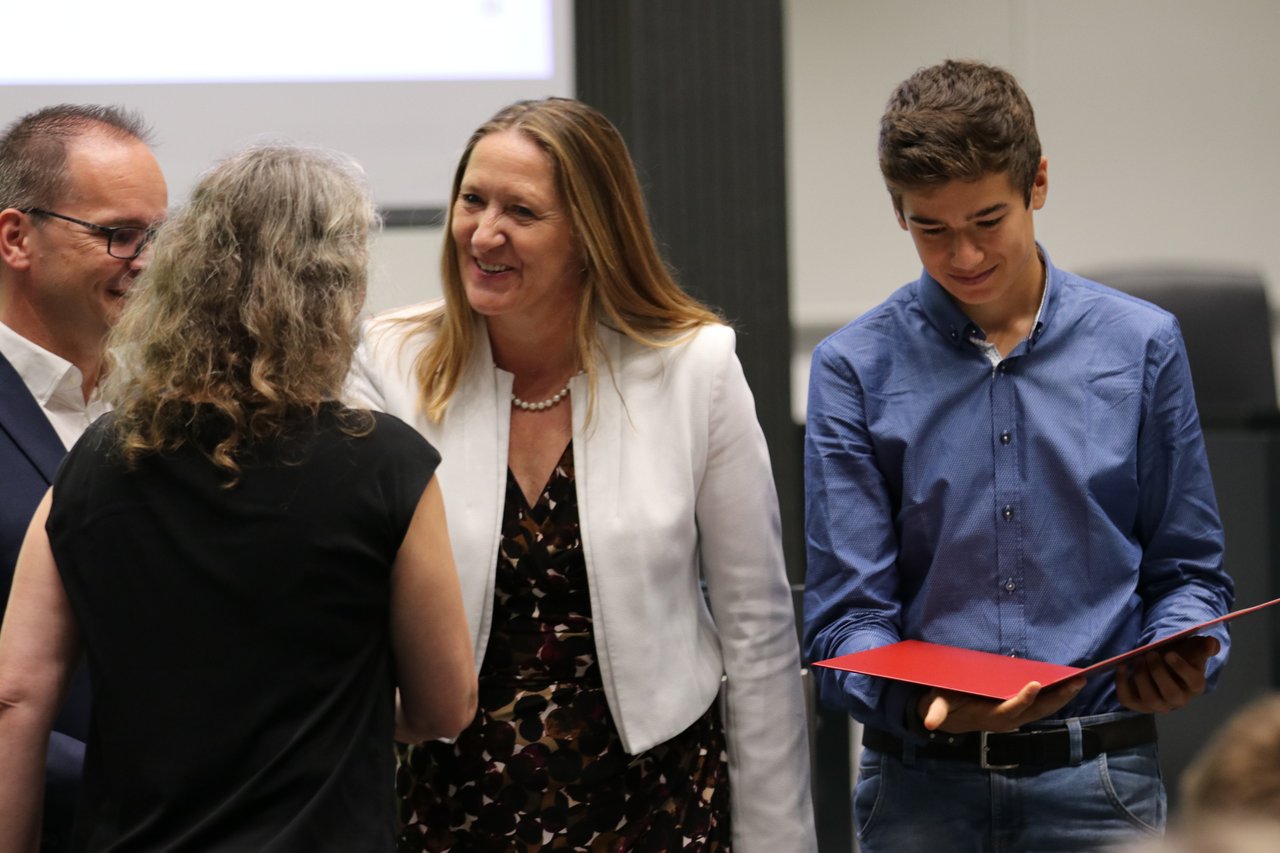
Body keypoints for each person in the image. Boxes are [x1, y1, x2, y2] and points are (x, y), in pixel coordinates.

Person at [347, 97, 816, 852]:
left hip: (652, 805)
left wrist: (779, 840)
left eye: (521, 212)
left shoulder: (695, 367)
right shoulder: (387, 361)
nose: (484, 231)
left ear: (590, 235)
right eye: (473, 200)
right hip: (450, 803)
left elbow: (757, 632)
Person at [803, 59, 1234, 852]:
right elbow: (844, 621)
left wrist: (1185, 653)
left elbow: (1189, 575)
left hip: (1098, 780)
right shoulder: (853, 367)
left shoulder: (1141, 346)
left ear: (1037, 182)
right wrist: (920, 697)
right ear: (898, 213)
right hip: (917, 790)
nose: (963, 255)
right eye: (931, 228)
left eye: (987, 220)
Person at [0, 144, 478, 851]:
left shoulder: (97, 460)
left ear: (186, 276)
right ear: (337, 290)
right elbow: (445, 704)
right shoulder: (388, 465)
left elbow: (17, 695)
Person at [0, 104, 167, 853]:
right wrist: (129, 778)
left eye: (156, 236)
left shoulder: (162, 408)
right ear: (15, 238)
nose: (146, 259)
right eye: (117, 234)